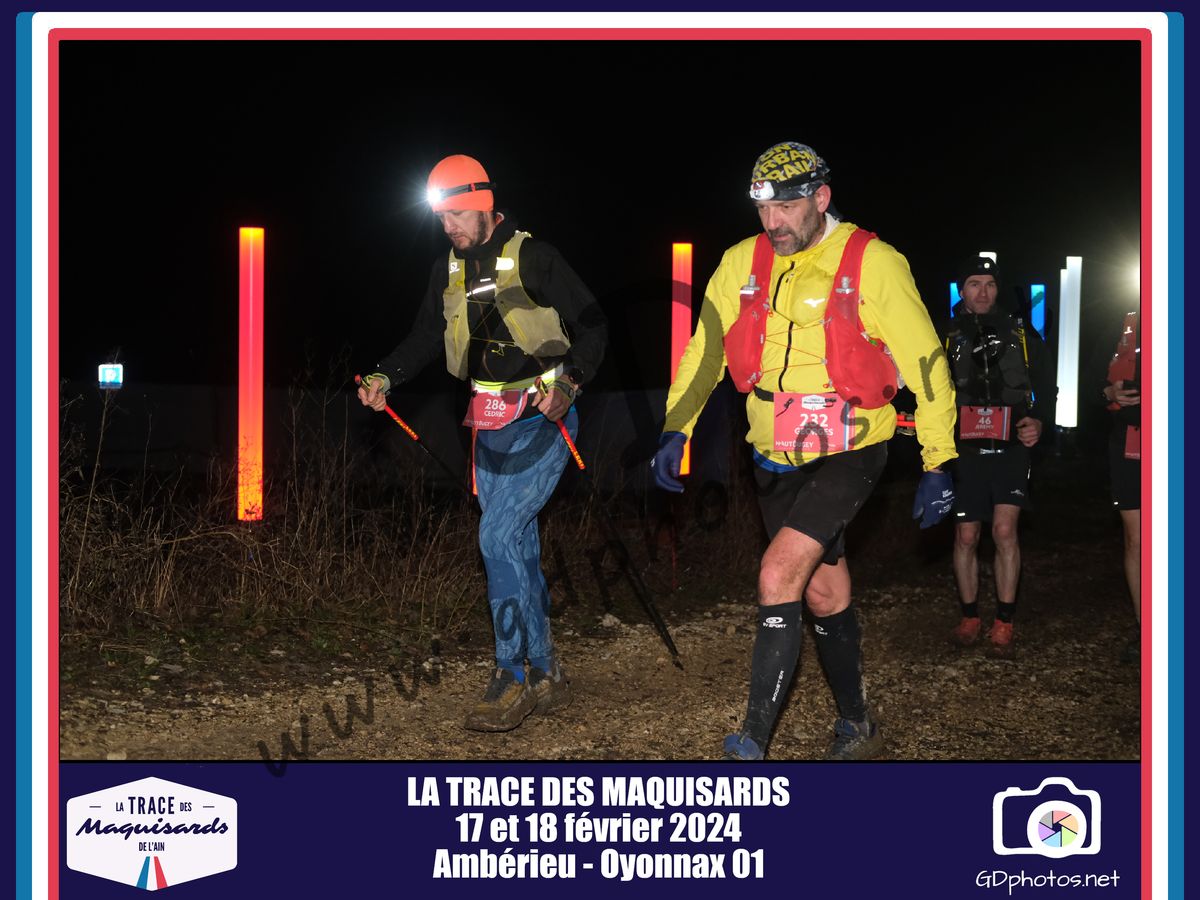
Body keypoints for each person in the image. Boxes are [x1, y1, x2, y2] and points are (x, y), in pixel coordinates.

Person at [653, 141, 958, 761]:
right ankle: (858, 726)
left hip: (852, 445)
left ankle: (752, 744)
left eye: (787, 207)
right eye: (764, 209)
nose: (774, 222)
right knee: (822, 593)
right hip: (772, 451)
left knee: (777, 573)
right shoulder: (740, 262)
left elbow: (926, 360)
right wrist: (675, 427)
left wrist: (939, 458)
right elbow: (705, 350)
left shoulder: (874, 262)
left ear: (821, 198)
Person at [358, 154, 607, 732]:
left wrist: (569, 385)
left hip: (543, 418)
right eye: (441, 218)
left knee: (495, 534)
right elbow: (426, 335)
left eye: (456, 215)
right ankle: (546, 670)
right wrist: (385, 376)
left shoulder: (536, 257)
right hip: (488, 423)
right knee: (516, 545)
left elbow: (594, 325)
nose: (448, 227)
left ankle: (510, 675)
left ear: (484, 204)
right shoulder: (447, 268)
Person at [943, 257, 1055, 658]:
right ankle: (970, 616)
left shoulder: (1020, 332)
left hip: (1011, 446)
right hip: (965, 449)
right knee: (966, 536)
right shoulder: (946, 335)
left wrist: (1039, 422)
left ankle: (1004, 620)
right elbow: (929, 390)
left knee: (1005, 531)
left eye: (989, 284)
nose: (983, 292)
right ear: (962, 290)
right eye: (974, 284)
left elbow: (1046, 384)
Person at [1102, 309, 1141, 663]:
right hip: (1130, 442)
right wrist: (1110, 391)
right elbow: (1093, 381)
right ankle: (1147, 630)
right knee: (1136, 540)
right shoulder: (1125, 319)